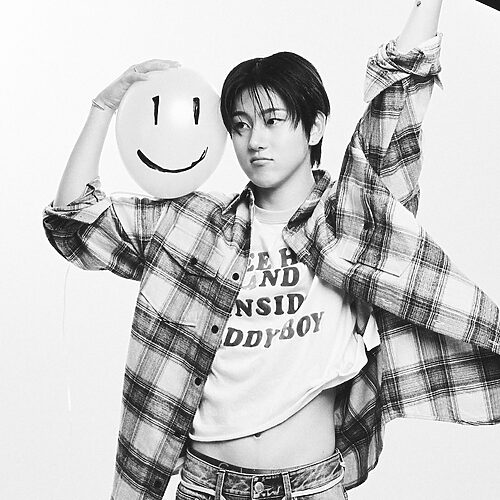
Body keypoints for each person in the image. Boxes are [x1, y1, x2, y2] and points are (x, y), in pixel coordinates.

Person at [43, 1, 500, 499]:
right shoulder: (192, 223)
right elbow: (74, 221)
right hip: (207, 485)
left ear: (315, 126)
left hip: (311, 485)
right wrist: (103, 107)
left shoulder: (350, 220)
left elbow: (398, 98)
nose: (254, 140)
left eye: (272, 120)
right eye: (240, 125)